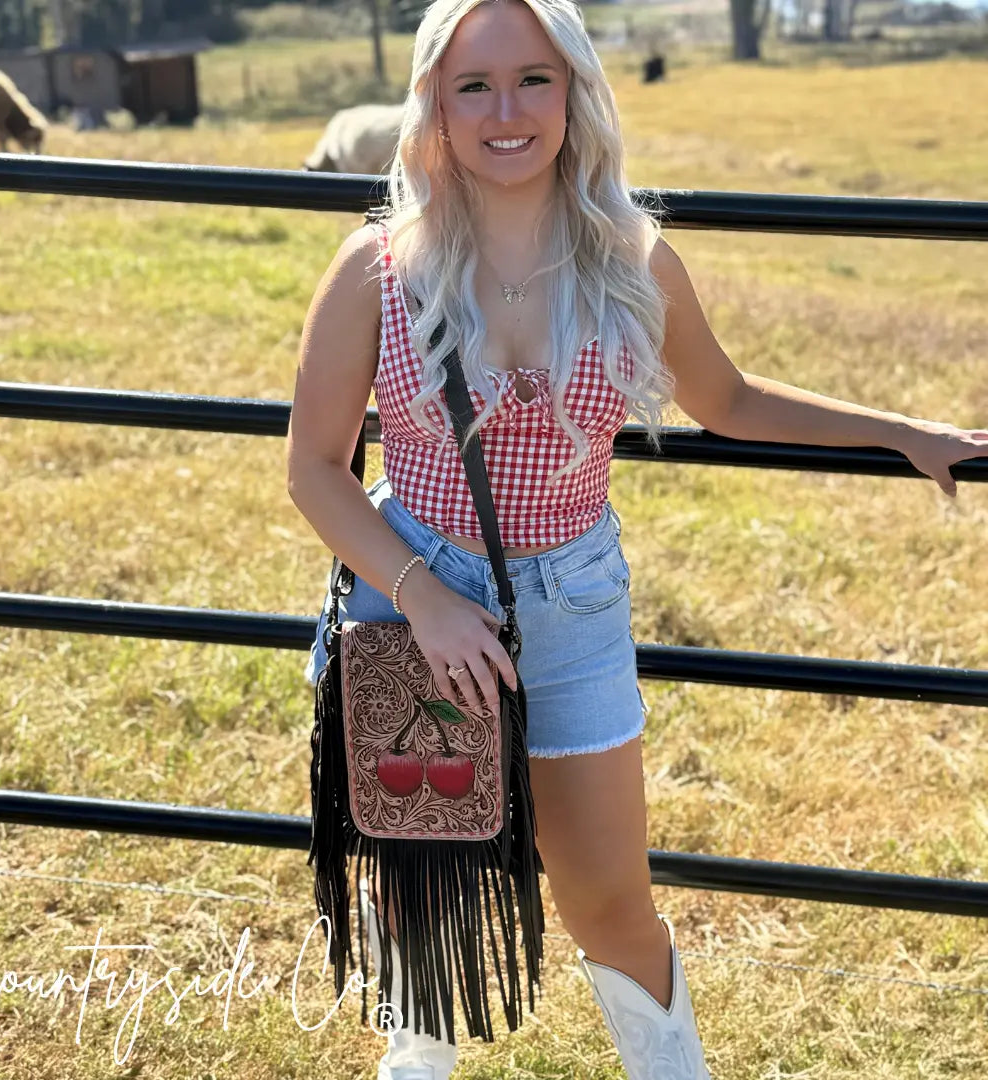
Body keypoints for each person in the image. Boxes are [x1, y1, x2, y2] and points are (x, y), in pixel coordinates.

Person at [286, 1, 988, 1076]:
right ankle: (413, 1062)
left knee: (610, 902)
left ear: (575, 92)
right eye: (474, 86)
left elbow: (732, 398)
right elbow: (312, 471)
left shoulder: (629, 259)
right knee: (423, 886)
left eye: (535, 79)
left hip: (570, 611)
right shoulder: (378, 268)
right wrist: (423, 591)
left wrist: (900, 433)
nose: (506, 110)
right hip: (409, 602)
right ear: (433, 102)